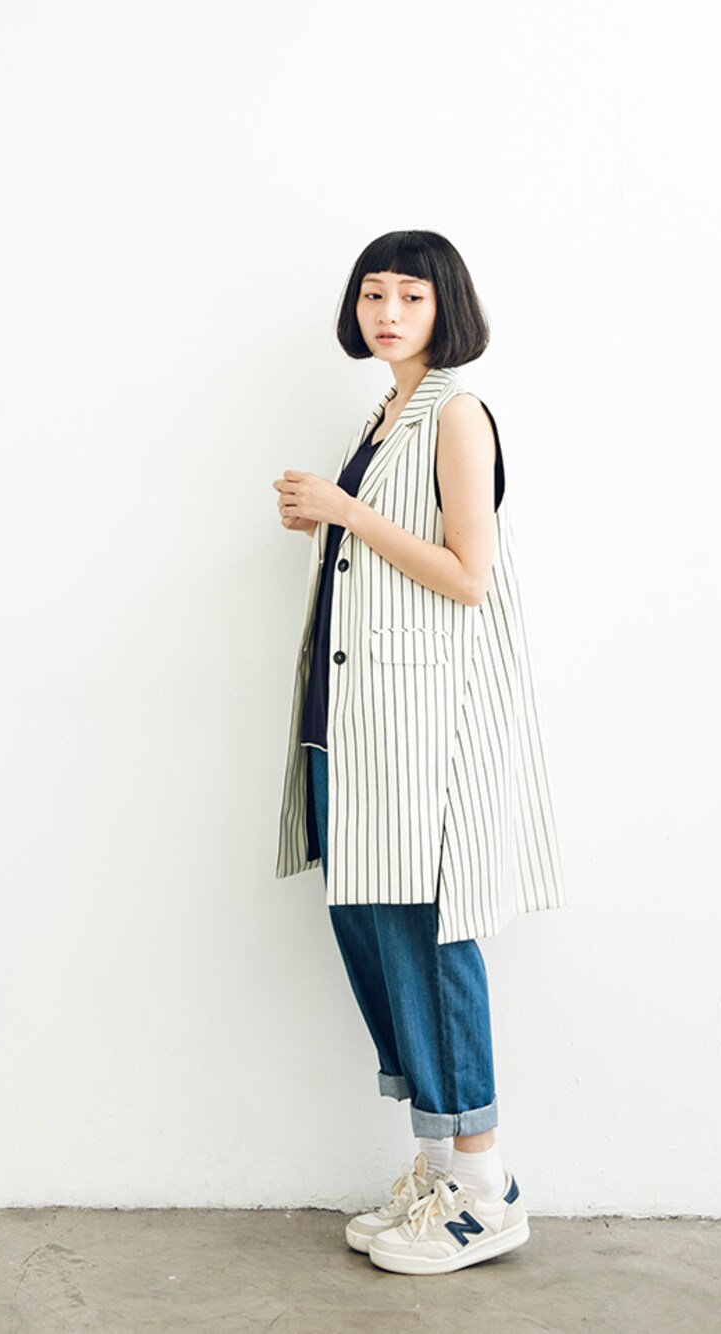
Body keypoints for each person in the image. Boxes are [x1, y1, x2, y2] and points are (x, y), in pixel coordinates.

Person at [272, 230, 565, 1275]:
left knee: (430, 939)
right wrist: (331, 521)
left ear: (447, 308)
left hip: (419, 731)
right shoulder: (385, 413)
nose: (387, 313)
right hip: (350, 723)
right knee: (374, 934)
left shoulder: (457, 414)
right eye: (372, 294)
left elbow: (468, 575)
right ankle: (440, 1170)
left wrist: (345, 510)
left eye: (410, 295)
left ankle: (484, 1190)